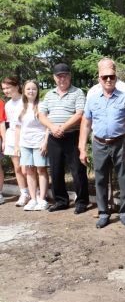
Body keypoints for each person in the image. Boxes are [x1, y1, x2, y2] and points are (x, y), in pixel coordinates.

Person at [79, 60, 125, 228]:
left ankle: (124, 212)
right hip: (99, 143)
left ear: (116, 78)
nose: (108, 80)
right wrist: (82, 148)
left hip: (121, 142)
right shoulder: (92, 98)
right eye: (105, 77)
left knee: (124, 178)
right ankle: (104, 213)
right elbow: (86, 123)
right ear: (99, 79)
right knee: (101, 179)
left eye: (111, 77)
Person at [38, 63, 89, 213]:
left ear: (69, 76)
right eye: (59, 76)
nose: (62, 79)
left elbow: (80, 113)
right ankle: (61, 200)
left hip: (72, 135)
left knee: (77, 170)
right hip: (54, 137)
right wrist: (53, 127)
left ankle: (81, 201)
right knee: (56, 170)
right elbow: (41, 115)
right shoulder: (49, 94)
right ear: (54, 78)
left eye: (65, 75)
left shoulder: (78, 92)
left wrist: (63, 127)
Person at [13, 80, 49, 210]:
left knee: (41, 170)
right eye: (28, 89)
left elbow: (47, 127)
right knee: (29, 171)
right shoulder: (20, 107)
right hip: (25, 144)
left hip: (39, 143)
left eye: (33, 89)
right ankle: (33, 199)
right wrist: (17, 146)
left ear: (37, 91)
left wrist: (45, 142)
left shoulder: (42, 105)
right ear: (24, 91)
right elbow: (17, 128)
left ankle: (42, 199)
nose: (31, 91)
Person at [2, 77, 28, 206]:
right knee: (17, 167)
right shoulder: (7, 104)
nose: (6, 91)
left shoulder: (26, 100)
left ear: (17, 86)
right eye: (4, 88)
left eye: (8, 87)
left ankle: (36, 191)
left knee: (27, 168)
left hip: (26, 136)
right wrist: (5, 140)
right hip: (12, 136)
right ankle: (24, 193)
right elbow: (7, 124)